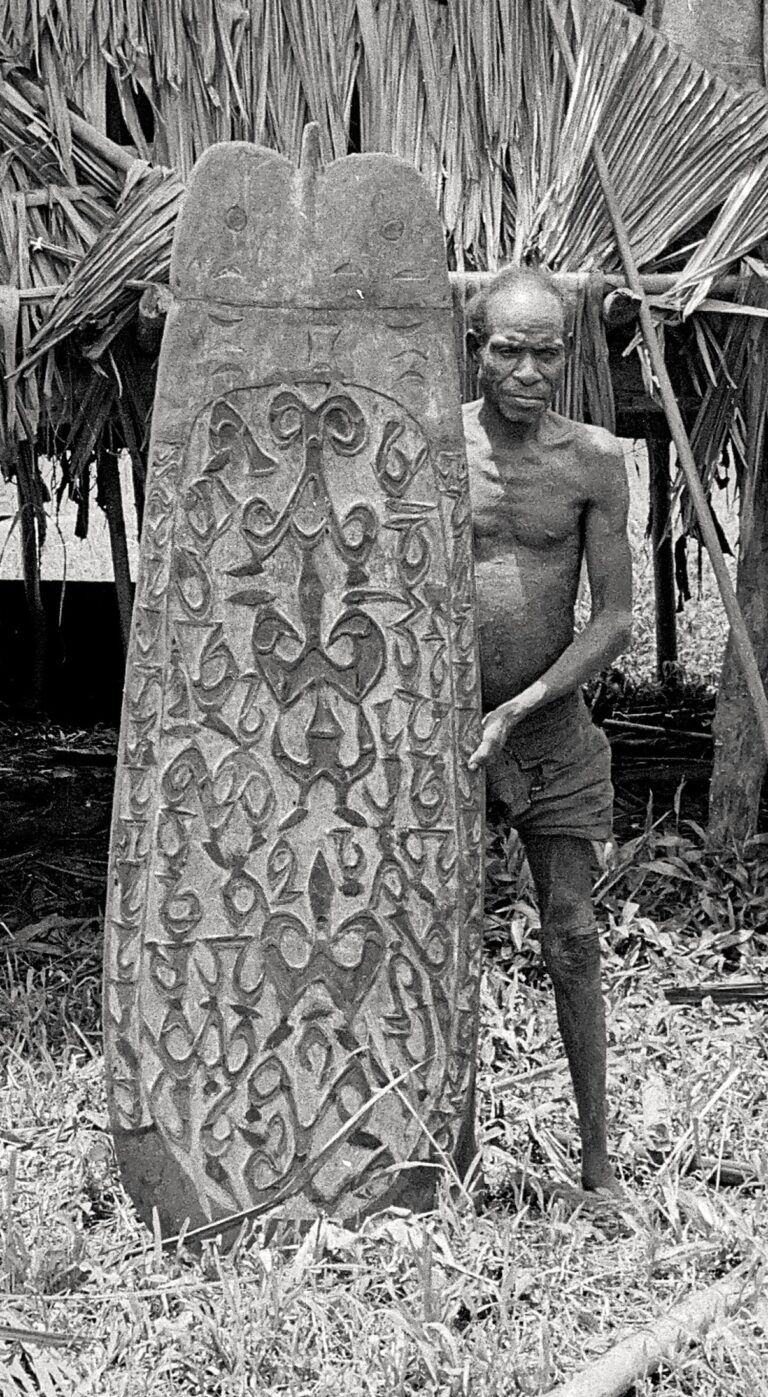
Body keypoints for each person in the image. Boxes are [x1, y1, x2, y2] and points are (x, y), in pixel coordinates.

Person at [464, 265, 633, 1195]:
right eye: (509, 351)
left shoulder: (594, 460)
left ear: (568, 353)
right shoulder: (434, 449)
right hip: (445, 735)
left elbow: (613, 619)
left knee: (571, 936)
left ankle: (599, 1166)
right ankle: (426, 1149)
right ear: (476, 349)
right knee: (437, 935)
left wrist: (521, 707)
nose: (529, 372)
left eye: (547, 352)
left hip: (551, 731)